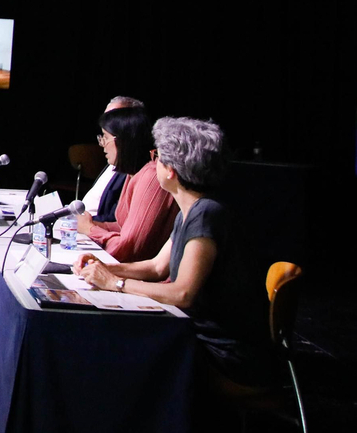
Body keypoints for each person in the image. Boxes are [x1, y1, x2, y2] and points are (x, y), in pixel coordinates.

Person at [77, 117, 278, 386]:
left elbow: (183, 293)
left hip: (227, 356)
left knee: (119, 355)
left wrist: (115, 283)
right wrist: (103, 268)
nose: (153, 163)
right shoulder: (191, 210)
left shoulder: (206, 214)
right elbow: (157, 267)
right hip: (200, 340)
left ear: (170, 169)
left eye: (157, 157)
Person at [77, 105, 175, 260]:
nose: (102, 144)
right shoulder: (133, 174)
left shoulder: (151, 177)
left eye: (105, 137)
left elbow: (131, 249)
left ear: (122, 141)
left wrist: (90, 229)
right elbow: (124, 227)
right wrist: (91, 224)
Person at [81, 98, 143, 223]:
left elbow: (118, 223)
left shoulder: (134, 170)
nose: (102, 143)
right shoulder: (113, 160)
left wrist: (88, 226)